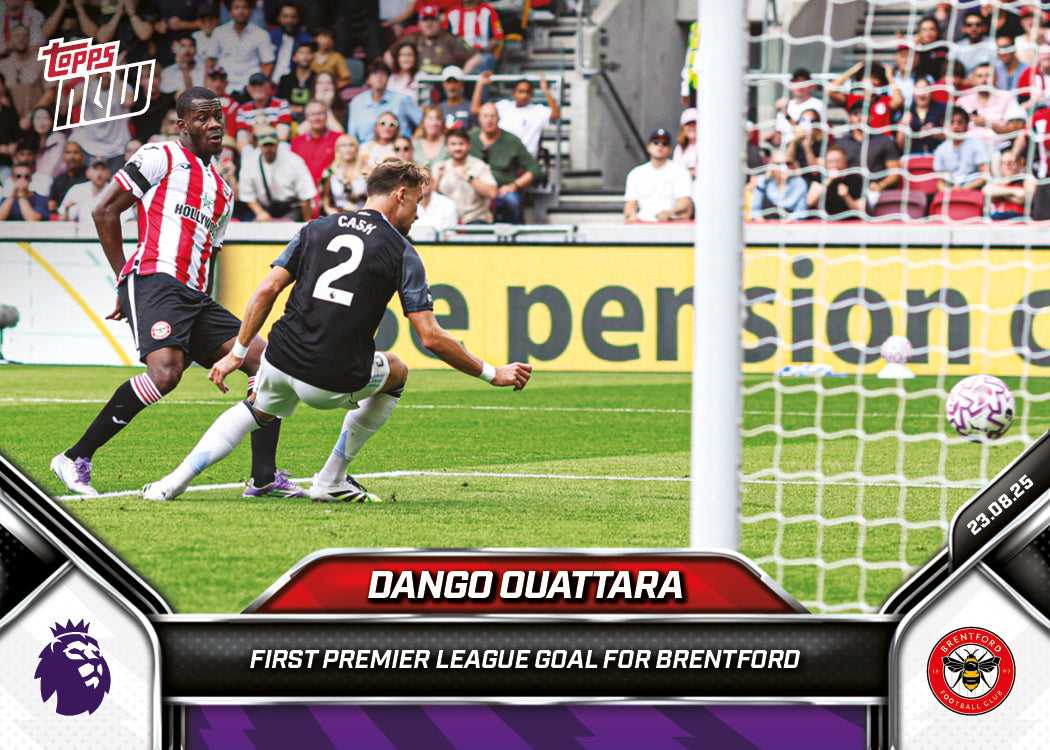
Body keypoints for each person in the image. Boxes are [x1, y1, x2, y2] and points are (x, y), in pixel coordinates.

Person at [142, 158, 532, 501]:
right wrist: (491, 373)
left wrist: (238, 353)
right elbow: (430, 336)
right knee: (397, 371)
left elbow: (266, 290)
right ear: (400, 194)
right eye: (417, 202)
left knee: (255, 410)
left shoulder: (316, 227)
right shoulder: (402, 251)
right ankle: (331, 478)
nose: (417, 214)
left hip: (279, 359)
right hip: (331, 378)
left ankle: (170, 483)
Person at [50, 87, 296, 499]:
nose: (214, 124)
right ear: (182, 125)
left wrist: (203, 314)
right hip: (155, 278)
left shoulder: (223, 191)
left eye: (217, 117)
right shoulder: (159, 156)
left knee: (267, 362)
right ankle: (74, 457)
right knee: (165, 374)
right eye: (202, 118)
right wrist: (124, 278)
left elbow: (210, 255)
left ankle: (263, 477)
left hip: (194, 295)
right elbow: (104, 210)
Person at [470, 102, 541, 224]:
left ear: (499, 118)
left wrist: (515, 185)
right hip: (474, 189)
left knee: (513, 201)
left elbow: (534, 169)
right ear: (479, 119)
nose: (489, 120)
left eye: (493, 116)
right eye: (485, 116)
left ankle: (516, 235)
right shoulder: (470, 139)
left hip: (503, 190)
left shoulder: (512, 141)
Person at [471, 71, 561, 158]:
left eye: (528, 92)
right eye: (521, 91)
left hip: (526, 159)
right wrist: (480, 84)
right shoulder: (503, 106)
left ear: (532, 95)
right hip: (501, 157)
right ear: (513, 93)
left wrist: (546, 91)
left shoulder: (538, 110)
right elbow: (475, 110)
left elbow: (556, 115)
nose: (524, 95)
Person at [239, 125, 317, 221]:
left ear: (277, 144)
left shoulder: (294, 161)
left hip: (290, 207)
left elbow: (306, 195)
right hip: (264, 208)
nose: (269, 149)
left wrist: (307, 221)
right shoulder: (249, 162)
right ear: (259, 145)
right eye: (265, 145)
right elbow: (247, 194)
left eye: (271, 145)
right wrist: (260, 212)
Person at [837, 100, 901, 207]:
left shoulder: (884, 141)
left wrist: (880, 185)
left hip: (874, 190)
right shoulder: (841, 143)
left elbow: (895, 173)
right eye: (855, 114)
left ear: (871, 117)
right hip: (847, 188)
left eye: (863, 114)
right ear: (849, 118)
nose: (859, 117)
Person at [623, 128, 693, 223]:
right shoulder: (636, 173)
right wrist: (630, 215)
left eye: (665, 143)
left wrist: (670, 213)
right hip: (642, 223)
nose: (660, 146)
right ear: (648, 147)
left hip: (671, 223)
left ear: (670, 149)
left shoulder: (680, 171)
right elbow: (630, 203)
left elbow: (685, 202)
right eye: (656, 142)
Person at [955, 62, 1026, 154]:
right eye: (979, 76)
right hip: (968, 151)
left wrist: (989, 124)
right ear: (972, 79)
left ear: (996, 78)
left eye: (988, 76)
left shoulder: (1007, 97)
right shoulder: (962, 101)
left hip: (999, 150)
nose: (984, 80)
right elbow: (953, 128)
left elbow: (1017, 127)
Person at [387, 3, 475, 76]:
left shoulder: (450, 39)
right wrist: (399, 74)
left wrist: (462, 77)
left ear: (439, 22)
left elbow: (475, 57)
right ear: (419, 23)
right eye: (425, 20)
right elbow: (388, 54)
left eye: (432, 20)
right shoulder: (413, 38)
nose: (428, 24)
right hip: (415, 85)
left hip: (443, 85)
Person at [347, 59, 422, 145]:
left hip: (397, 149)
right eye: (375, 73)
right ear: (368, 79)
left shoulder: (402, 100)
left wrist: (412, 143)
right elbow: (352, 135)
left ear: (388, 78)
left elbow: (423, 123)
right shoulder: (356, 102)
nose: (379, 77)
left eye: (383, 74)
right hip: (366, 150)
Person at [208, 0, 275, 94]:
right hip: (223, 88)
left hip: (250, 89)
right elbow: (210, 62)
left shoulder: (262, 34)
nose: (241, 11)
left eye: (245, 7)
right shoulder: (218, 32)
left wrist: (258, 87)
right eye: (236, 8)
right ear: (230, 12)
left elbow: (267, 64)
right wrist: (208, 88)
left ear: (250, 11)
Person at [434, 129, 497, 224]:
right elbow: (427, 196)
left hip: (475, 218)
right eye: (453, 144)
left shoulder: (479, 166)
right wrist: (438, 179)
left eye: (461, 144)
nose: (457, 148)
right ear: (447, 147)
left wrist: (469, 178)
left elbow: (493, 193)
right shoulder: (440, 167)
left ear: (469, 146)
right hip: (446, 219)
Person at [58, 158, 133, 233]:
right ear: (87, 173)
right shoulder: (77, 189)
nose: (99, 173)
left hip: (108, 234)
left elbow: (128, 220)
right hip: (82, 234)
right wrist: (66, 210)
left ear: (109, 173)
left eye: (103, 169)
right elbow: (64, 220)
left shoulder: (116, 191)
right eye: (95, 169)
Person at [934, 109, 990, 191]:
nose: (955, 126)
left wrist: (963, 189)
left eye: (960, 123)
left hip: (973, 190)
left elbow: (984, 176)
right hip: (949, 190)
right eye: (951, 122)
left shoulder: (977, 144)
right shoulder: (940, 149)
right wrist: (949, 191)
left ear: (967, 126)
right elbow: (940, 182)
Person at [0, 22, 44, 126]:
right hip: (9, 121)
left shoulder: (41, 62)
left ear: (29, 38)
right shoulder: (2, 65)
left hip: (36, 120)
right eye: (17, 36)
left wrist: (31, 115)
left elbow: (50, 93)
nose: (21, 39)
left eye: (24, 35)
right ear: (10, 39)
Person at [232, 73, 293, 149]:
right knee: (246, 149)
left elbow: (282, 136)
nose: (258, 88)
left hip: (276, 147)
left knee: (283, 145)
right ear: (248, 88)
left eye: (261, 85)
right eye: (254, 85)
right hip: (254, 148)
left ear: (269, 86)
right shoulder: (242, 110)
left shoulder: (282, 104)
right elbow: (242, 142)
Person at [805, 144, 864, 220]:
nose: (834, 164)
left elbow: (860, 211)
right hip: (825, 221)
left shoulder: (855, 179)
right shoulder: (820, 177)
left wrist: (846, 196)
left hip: (849, 222)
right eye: (830, 161)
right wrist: (828, 181)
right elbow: (809, 202)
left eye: (838, 161)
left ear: (845, 161)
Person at [292, 99, 342, 186]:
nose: (317, 118)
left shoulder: (338, 139)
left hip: (331, 190)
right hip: (303, 190)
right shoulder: (297, 142)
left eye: (320, 113)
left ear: (326, 115)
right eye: (312, 114)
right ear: (307, 117)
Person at [447, 0, 503, 73]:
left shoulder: (488, 11)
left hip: (482, 53)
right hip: (457, 53)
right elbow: (445, 36)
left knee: (486, 59)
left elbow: (497, 38)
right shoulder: (452, 12)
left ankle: (463, 78)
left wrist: (481, 51)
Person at [774, 68, 824, 146]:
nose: (799, 86)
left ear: (811, 86)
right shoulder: (784, 105)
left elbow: (803, 132)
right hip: (785, 149)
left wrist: (785, 114)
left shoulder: (818, 105)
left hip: (806, 148)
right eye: (796, 82)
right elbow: (778, 138)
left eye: (803, 83)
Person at [752, 151, 808, 221]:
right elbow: (755, 211)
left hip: (791, 226)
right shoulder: (762, 182)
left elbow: (801, 214)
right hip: (765, 225)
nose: (784, 167)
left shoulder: (800, 183)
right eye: (778, 164)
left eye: (788, 163)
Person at [897, 78, 946, 155]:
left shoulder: (942, 108)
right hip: (913, 156)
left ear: (931, 92)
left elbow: (952, 136)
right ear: (913, 93)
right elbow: (900, 145)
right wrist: (903, 126)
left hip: (937, 155)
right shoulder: (906, 111)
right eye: (919, 90)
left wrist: (934, 133)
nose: (922, 94)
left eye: (925, 90)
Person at [321, 134, 366, 214]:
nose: (347, 149)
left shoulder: (366, 171)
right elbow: (325, 199)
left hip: (363, 215)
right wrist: (332, 213)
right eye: (343, 145)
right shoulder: (330, 172)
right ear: (337, 149)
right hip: (337, 215)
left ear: (356, 148)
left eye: (351, 145)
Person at [269, 2, 312, 82]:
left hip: (294, 83)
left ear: (298, 19)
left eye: (293, 17)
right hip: (271, 82)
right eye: (285, 16)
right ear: (279, 18)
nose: (289, 20)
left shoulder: (306, 40)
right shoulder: (271, 37)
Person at [785, 107, 829, 184]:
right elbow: (787, 163)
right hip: (797, 182)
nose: (807, 124)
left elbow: (814, 172)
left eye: (811, 121)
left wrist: (807, 147)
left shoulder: (822, 143)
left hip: (815, 183)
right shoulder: (793, 142)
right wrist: (794, 141)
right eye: (803, 120)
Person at [983, 150, 1030, 220]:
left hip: (1018, 219)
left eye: (1011, 162)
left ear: (1019, 164)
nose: (1007, 165)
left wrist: (1000, 194)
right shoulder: (998, 182)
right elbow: (987, 191)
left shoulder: (1025, 179)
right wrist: (1013, 192)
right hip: (997, 219)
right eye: (1004, 163)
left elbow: (1023, 196)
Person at [277, 41, 318, 122]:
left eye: (308, 53)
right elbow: (280, 102)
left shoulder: (318, 79)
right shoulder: (285, 79)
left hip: (312, 118)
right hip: (288, 118)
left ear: (313, 57)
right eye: (301, 53)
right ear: (294, 57)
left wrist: (303, 109)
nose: (305, 56)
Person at [411, 169, 458, 236]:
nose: (423, 184)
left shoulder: (448, 205)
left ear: (433, 182)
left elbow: (450, 235)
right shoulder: (406, 205)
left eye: (427, 180)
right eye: (419, 180)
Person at [48, 141, 87, 213]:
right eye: (68, 152)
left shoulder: (90, 178)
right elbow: (52, 207)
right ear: (63, 156)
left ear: (82, 156)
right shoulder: (58, 181)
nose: (72, 157)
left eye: (76, 152)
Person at [413, 105, 449, 171]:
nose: (434, 123)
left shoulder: (449, 143)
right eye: (430, 119)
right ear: (423, 122)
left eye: (438, 119)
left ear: (442, 123)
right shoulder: (414, 144)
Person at [440, 65, 474, 131]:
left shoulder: (471, 107)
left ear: (462, 84)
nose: (452, 86)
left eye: (455, 82)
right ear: (443, 84)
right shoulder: (439, 108)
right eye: (449, 82)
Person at [673, 107, 697, 180]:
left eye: (695, 123)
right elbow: (675, 173)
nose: (692, 127)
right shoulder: (679, 148)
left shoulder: (708, 146)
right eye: (688, 124)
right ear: (683, 128)